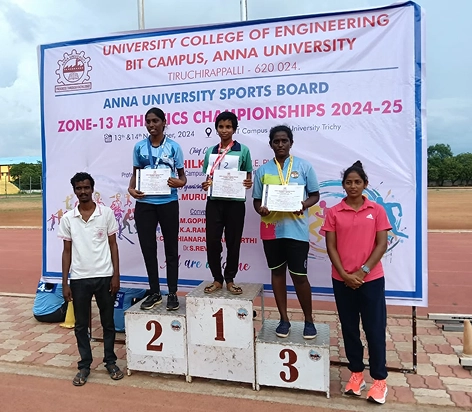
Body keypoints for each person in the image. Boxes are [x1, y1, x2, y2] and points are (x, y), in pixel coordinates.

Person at [321, 161, 391, 405]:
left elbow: (382, 244)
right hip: (342, 280)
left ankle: (379, 380)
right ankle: (356, 375)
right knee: (349, 328)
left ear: (365, 185)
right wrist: (345, 274)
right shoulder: (334, 212)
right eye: (349, 182)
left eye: (357, 182)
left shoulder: (377, 210)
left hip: (371, 279)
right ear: (343, 185)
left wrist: (362, 272)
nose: (353, 186)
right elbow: (331, 246)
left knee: (374, 329)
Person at [252, 125, 320, 339]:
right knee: (277, 274)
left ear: (291, 142)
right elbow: (256, 201)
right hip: (271, 232)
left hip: (297, 231)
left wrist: (304, 204)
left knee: (300, 276)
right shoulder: (263, 171)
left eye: (284, 141)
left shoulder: (304, 166)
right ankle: (283, 319)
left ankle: (309, 321)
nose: (280, 144)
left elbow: (315, 195)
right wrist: (260, 209)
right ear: (271, 144)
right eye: (276, 141)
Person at [58, 172, 123, 386]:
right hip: (79, 278)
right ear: (74, 191)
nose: (83, 191)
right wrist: (65, 282)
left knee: (108, 323)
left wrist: (116, 275)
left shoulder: (106, 213)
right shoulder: (68, 218)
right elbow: (66, 251)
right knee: (80, 325)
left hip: (104, 276)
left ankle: (110, 362)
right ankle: (84, 365)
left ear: (92, 189)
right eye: (79, 188)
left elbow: (113, 245)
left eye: (86, 187)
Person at [128, 107, 186, 311]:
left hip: (168, 203)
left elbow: (182, 177)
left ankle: (172, 293)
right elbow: (135, 174)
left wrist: (179, 182)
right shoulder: (139, 147)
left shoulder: (174, 147)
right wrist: (130, 189)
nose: (151, 125)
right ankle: (154, 292)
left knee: (171, 249)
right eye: (148, 121)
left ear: (164, 122)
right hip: (144, 204)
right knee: (148, 249)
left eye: (155, 121)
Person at [201, 111, 253, 295]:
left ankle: (230, 279)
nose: (225, 130)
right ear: (216, 129)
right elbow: (208, 178)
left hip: (235, 204)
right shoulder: (210, 151)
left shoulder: (243, 150)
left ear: (234, 129)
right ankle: (217, 278)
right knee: (212, 241)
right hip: (214, 203)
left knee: (233, 241)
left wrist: (248, 182)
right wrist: (206, 184)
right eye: (221, 126)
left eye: (228, 127)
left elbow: (247, 175)